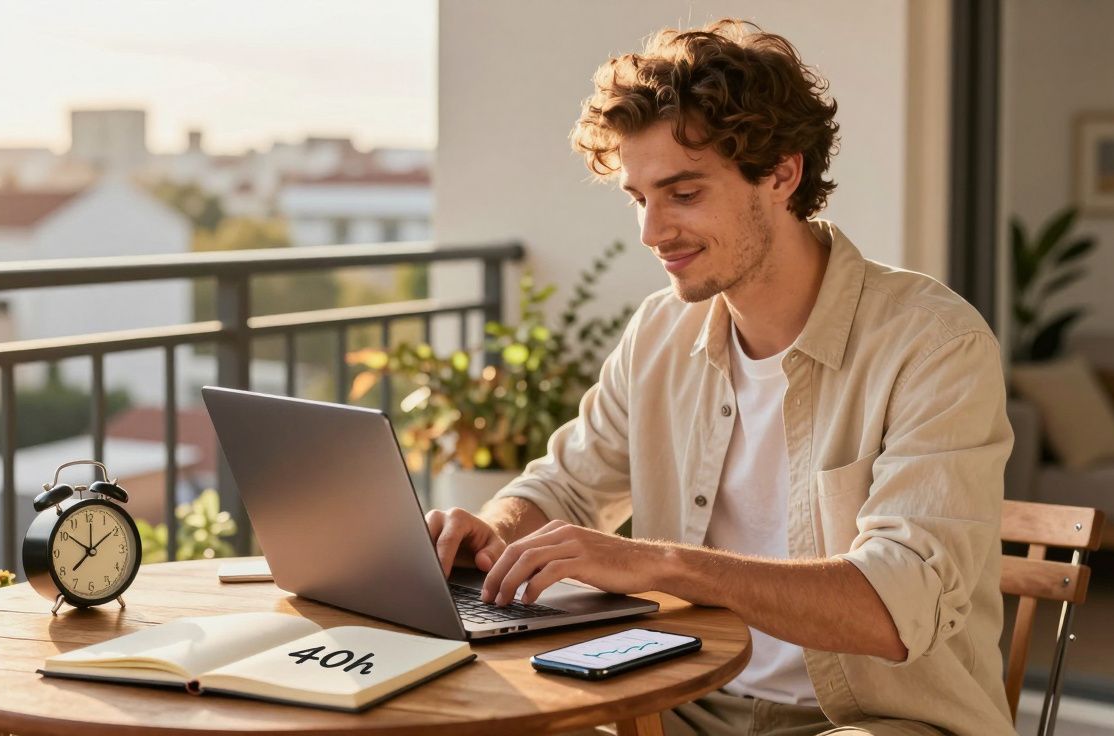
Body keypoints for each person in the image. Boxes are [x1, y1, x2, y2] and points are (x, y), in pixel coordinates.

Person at [426, 18, 1015, 736]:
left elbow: (897, 604)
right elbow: (568, 486)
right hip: (681, 705)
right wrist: (487, 531)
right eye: (639, 199)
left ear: (781, 174)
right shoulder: (659, 333)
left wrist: (661, 565)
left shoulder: (932, 343)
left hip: (875, 721)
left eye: (682, 194)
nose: (651, 232)